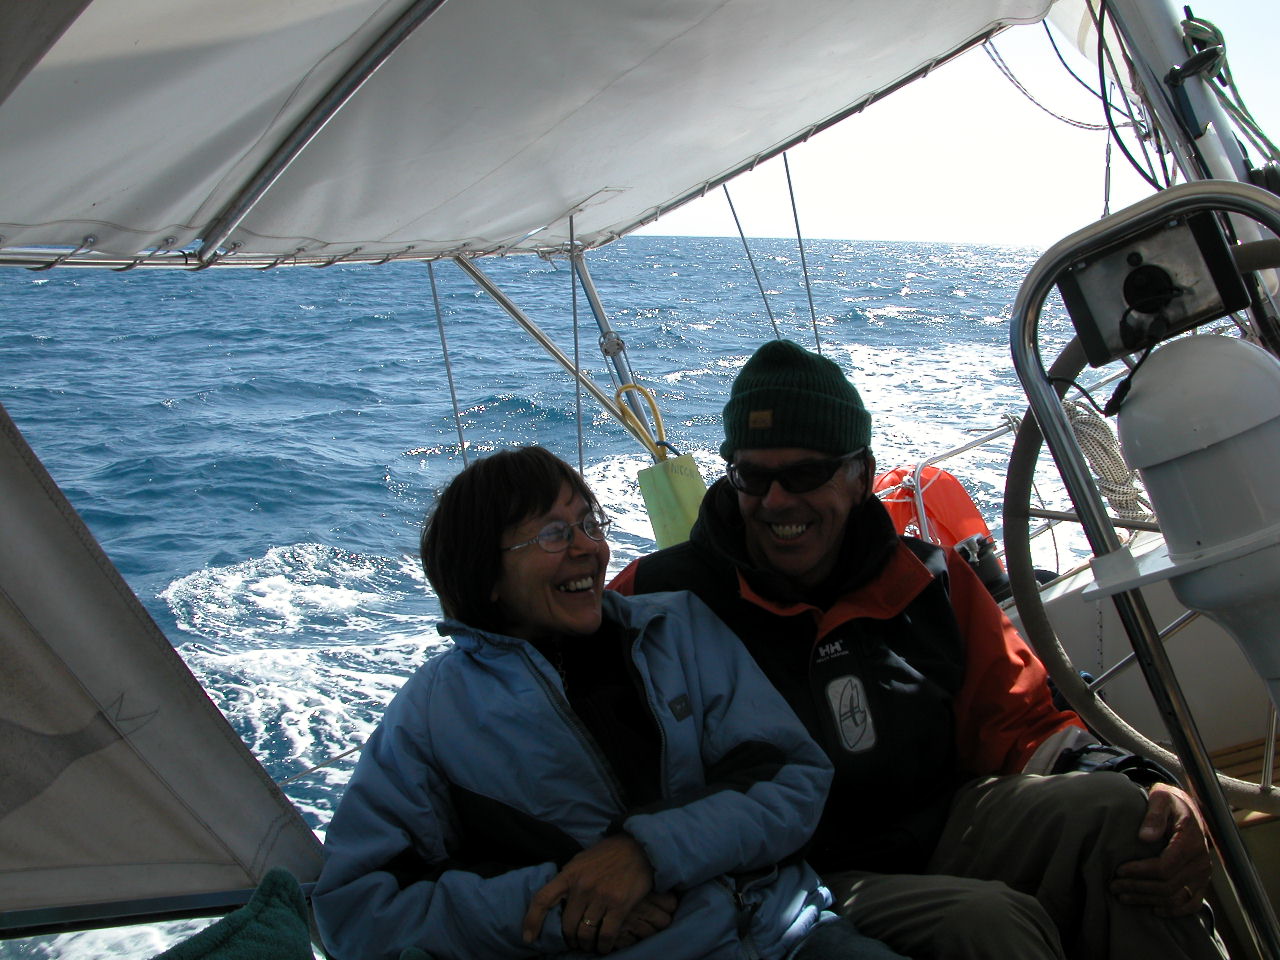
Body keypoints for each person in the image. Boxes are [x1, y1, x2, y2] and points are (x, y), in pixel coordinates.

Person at [611, 339, 1228, 960]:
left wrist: (1141, 779)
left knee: (1129, 816)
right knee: (988, 924)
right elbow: (574, 740)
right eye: (753, 476)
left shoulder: (929, 581)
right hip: (784, 883)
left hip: (941, 831)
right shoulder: (655, 600)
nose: (776, 501)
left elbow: (1020, 725)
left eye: (804, 475)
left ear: (860, 475)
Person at [312, 445, 905, 960]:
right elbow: (354, 909)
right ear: (485, 574)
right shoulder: (434, 714)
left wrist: (646, 852)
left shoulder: (677, 629)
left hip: (791, 931)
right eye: (553, 534)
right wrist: (564, 906)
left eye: (589, 523)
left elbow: (794, 780)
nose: (588, 548)